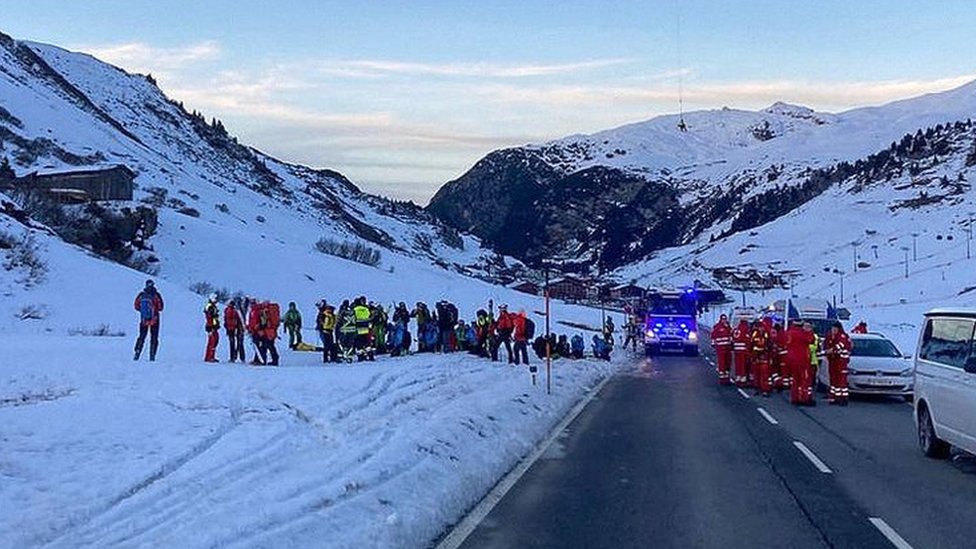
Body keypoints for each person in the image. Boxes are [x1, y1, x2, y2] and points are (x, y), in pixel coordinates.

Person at [133, 279, 164, 361]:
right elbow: (161, 307)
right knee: (154, 337)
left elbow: (136, 306)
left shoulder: (141, 295)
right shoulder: (156, 295)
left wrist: (143, 311)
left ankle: (137, 352)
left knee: (142, 336)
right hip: (155, 319)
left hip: (144, 319)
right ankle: (152, 355)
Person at [786, 321, 815, 406]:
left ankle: (795, 398)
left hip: (792, 360)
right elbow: (810, 340)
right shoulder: (802, 334)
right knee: (804, 380)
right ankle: (803, 398)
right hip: (802, 360)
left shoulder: (789, 332)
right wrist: (809, 331)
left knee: (795, 380)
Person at [824, 322, 852, 405]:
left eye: (835, 329)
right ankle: (834, 397)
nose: (833, 330)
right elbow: (826, 345)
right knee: (833, 380)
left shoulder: (842, 336)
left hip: (841, 362)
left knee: (841, 381)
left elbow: (841, 345)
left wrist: (832, 349)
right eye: (832, 329)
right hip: (833, 361)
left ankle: (843, 398)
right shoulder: (830, 336)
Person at [750, 320, 772, 396]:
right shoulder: (754, 334)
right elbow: (751, 345)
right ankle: (757, 389)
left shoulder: (766, 335)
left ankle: (765, 390)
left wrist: (769, 355)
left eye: (762, 327)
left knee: (765, 375)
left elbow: (769, 345)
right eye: (759, 327)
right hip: (756, 357)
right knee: (756, 374)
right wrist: (752, 356)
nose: (761, 329)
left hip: (764, 356)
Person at [710, 314, 733, 385]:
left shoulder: (728, 327)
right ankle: (722, 379)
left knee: (728, 363)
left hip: (728, 348)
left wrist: (732, 344)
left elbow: (731, 336)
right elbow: (713, 336)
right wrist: (713, 344)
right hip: (720, 348)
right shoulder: (717, 327)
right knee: (722, 363)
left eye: (725, 319)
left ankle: (727, 378)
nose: (724, 320)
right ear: (721, 319)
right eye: (723, 319)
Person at [732, 319, 752, 387]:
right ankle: (743, 380)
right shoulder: (745, 329)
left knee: (738, 365)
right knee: (743, 365)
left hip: (736, 350)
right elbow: (748, 340)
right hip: (743, 350)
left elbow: (732, 339)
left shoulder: (736, 330)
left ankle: (738, 378)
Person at [353, 297, 374, 361]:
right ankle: (370, 356)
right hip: (366, 329)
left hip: (358, 330)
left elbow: (353, 319)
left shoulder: (355, 310)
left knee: (359, 345)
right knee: (367, 344)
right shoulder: (366, 309)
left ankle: (361, 357)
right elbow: (369, 317)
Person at [203, 293, 221, 363]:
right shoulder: (210, 307)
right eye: (216, 299)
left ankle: (209, 356)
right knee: (212, 342)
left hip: (214, 327)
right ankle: (210, 357)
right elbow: (209, 318)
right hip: (211, 327)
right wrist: (211, 327)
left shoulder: (213, 306)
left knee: (214, 341)